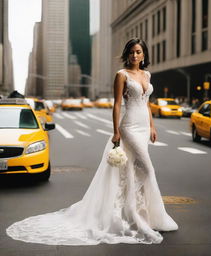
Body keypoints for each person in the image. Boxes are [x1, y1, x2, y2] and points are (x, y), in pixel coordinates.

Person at [6, 38, 178, 245]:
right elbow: (116, 105)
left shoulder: (146, 75)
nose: (134, 55)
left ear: (144, 55)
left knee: (133, 170)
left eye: (138, 52)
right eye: (131, 52)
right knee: (148, 169)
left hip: (143, 127)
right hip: (129, 127)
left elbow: (147, 103)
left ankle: (135, 214)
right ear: (127, 54)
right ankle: (134, 214)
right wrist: (116, 131)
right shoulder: (121, 75)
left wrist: (152, 126)